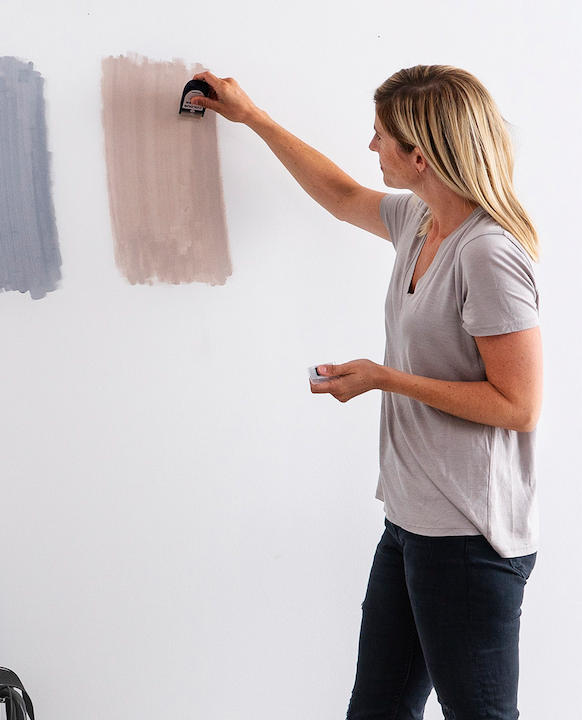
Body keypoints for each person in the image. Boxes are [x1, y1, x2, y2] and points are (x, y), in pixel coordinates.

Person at [190, 66, 542, 719]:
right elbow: (340, 193)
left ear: (420, 155)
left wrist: (384, 378)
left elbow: (517, 406)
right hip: (410, 524)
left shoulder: (487, 253)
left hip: (467, 539)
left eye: (380, 135)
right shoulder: (420, 220)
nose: (370, 145)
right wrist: (252, 116)